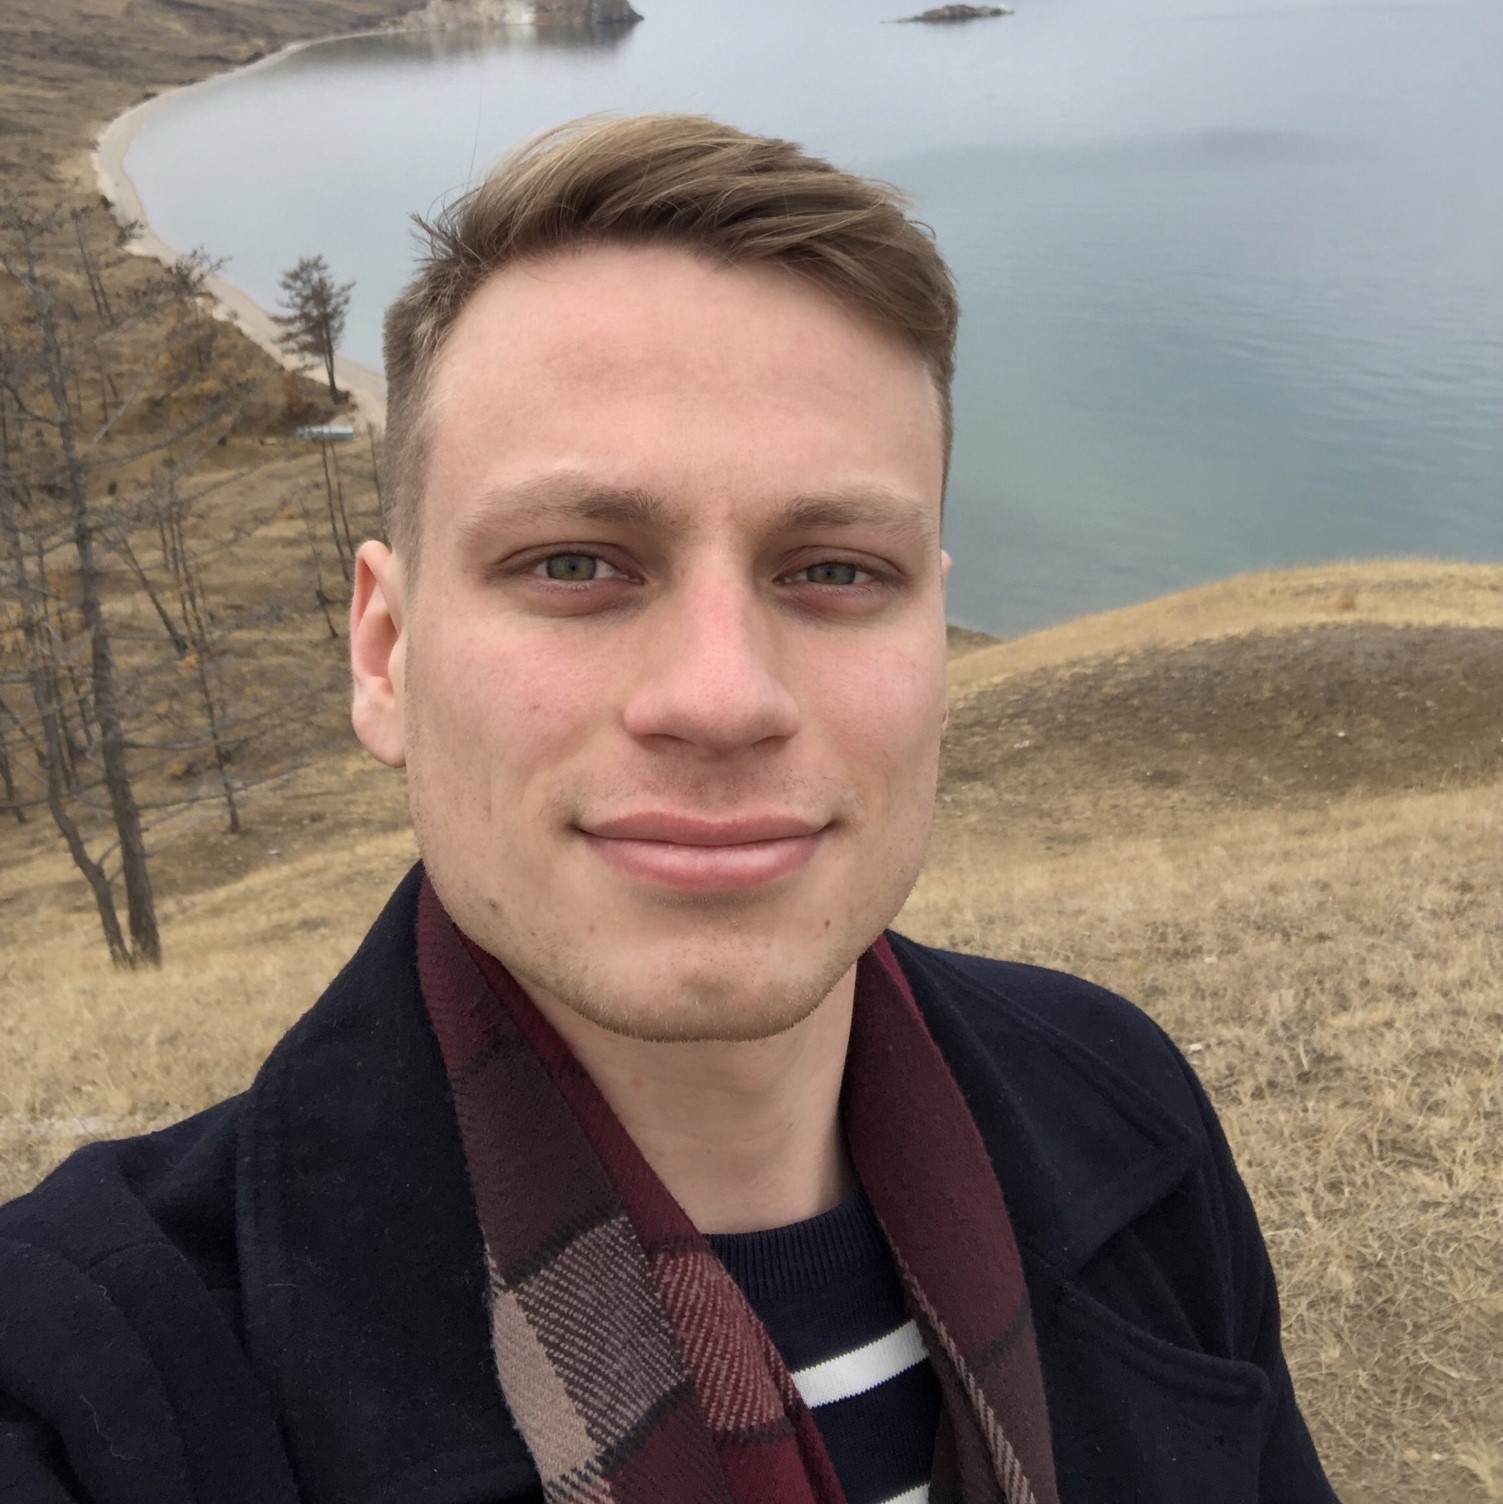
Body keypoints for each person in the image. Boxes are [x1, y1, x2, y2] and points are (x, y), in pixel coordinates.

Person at [0, 115, 1338, 1504]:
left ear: (937, 641)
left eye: (836, 571)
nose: (720, 697)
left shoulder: (1125, 1110)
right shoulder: (80, 1383)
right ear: (386, 653)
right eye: (575, 562)